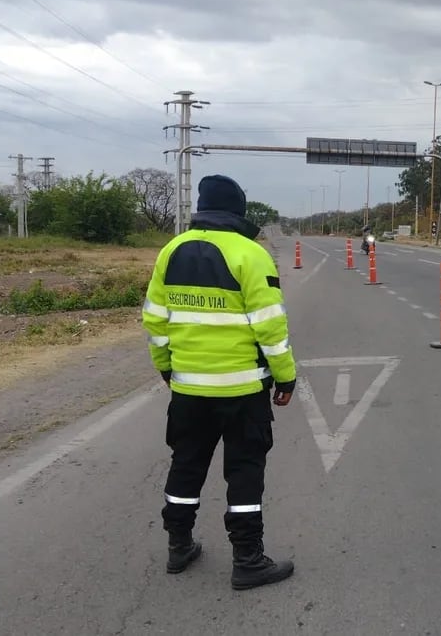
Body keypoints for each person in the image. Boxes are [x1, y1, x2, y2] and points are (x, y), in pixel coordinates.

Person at [142, 174, 297, 590]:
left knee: (186, 464)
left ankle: (179, 546)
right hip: (243, 391)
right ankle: (248, 559)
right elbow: (270, 327)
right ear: (239, 212)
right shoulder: (251, 254)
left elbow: (154, 318)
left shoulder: (169, 251)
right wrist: (286, 378)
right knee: (244, 470)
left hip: (189, 389)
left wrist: (166, 367)